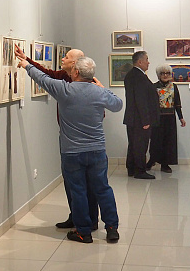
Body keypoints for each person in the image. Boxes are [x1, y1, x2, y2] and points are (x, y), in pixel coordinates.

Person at [18, 55, 122, 243]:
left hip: (72, 152)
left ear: (76, 72)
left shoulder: (64, 89)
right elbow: (118, 105)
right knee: (103, 189)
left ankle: (84, 232)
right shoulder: (99, 93)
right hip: (97, 151)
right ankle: (112, 228)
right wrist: (102, 88)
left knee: (78, 192)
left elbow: (43, 79)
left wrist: (26, 65)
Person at [15, 45, 99, 231]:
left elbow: (101, 112)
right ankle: (76, 216)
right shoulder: (64, 76)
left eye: (66, 57)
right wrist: (27, 60)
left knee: (88, 183)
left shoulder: (91, 84)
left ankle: (90, 220)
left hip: (85, 142)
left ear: (75, 65)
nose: (62, 59)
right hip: (68, 139)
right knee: (71, 182)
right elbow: (47, 74)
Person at [123, 51, 160, 179]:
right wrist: (145, 120)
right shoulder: (138, 77)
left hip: (133, 118)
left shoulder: (132, 75)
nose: (148, 62)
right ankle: (139, 170)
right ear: (140, 62)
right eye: (146, 59)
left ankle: (131, 168)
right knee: (140, 145)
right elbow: (141, 100)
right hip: (139, 119)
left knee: (133, 144)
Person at [146, 65, 186, 173]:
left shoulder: (174, 87)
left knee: (168, 141)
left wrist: (181, 118)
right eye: (162, 73)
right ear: (158, 75)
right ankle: (152, 160)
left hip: (170, 118)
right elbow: (150, 104)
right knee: (155, 141)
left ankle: (165, 164)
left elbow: (177, 104)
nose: (165, 75)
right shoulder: (154, 87)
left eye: (167, 73)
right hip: (157, 118)